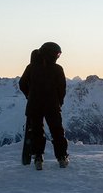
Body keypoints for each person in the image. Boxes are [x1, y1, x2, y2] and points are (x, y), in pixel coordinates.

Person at [19, 42, 69, 170]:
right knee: (57, 131)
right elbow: (62, 88)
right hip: (52, 105)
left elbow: (22, 83)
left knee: (36, 131)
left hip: (34, 105)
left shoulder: (31, 67)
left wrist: (29, 96)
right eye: (57, 54)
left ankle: (38, 158)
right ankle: (62, 157)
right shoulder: (58, 69)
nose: (58, 56)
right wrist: (59, 101)